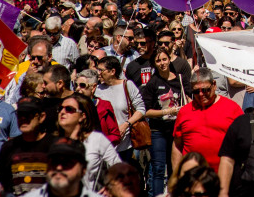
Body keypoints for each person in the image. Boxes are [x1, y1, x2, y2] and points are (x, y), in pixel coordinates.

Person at [173, 69, 245, 173]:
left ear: (214, 85)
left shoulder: (232, 108)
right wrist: (177, 177)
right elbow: (177, 146)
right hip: (193, 178)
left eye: (205, 90)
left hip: (226, 177)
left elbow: (244, 142)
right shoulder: (184, 112)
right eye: (196, 91)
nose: (201, 94)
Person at [141, 48, 190, 197]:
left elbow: (188, 100)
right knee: (158, 168)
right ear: (154, 64)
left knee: (175, 166)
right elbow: (146, 111)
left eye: (164, 59)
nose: (162, 63)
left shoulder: (180, 79)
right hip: (158, 131)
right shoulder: (152, 83)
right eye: (158, 61)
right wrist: (167, 112)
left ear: (169, 60)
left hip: (177, 130)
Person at [56, 93, 119, 192]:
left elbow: (119, 169)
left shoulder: (97, 140)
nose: (62, 112)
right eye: (60, 109)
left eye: (69, 109)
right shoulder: (53, 141)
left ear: (82, 116)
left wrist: (110, 189)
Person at [0, 97, 56, 196]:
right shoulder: (9, 147)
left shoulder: (55, 146)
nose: (23, 118)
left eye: (29, 115)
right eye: (20, 114)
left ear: (41, 117)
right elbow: (4, 183)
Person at [95, 57, 145, 156]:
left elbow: (141, 109)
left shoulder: (127, 85)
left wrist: (126, 124)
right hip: (103, 144)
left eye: (101, 70)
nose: (98, 73)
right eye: (97, 69)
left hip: (125, 143)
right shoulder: (97, 89)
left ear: (112, 71)